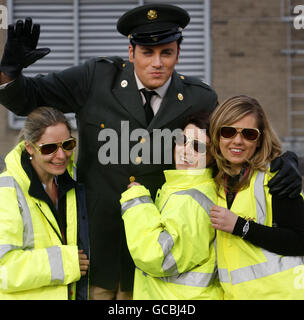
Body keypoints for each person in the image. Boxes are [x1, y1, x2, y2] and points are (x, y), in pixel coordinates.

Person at [0, 4, 301, 299]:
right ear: (131, 53)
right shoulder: (95, 79)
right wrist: (8, 73)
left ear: (178, 54)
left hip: (155, 257)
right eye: (147, 52)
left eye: (166, 52)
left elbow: (235, 140)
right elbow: (30, 98)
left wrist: (283, 160)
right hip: (95, 246)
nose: (157, 62)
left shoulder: (199, 98)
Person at [208, 95, 304, 299]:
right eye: (228, 131)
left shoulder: (277, 177)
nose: (237, 141)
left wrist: (241, 226)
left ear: (259, 140)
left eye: (249, 134)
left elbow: (300, 241)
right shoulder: (214, 180)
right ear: (216, 135)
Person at [120, 112, 223, 299]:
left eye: (198, 147)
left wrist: (137, 202)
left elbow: (158, 258)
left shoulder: (193, 200)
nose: (185, 150)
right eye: (182, 140)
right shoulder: (178, 187)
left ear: (213, 157)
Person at [0, 107, 90, 300]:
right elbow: (3, 269)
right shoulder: (6, 192)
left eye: (67, 144)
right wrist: (65, 263)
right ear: (30, 147)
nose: (61, 155)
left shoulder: (75, 182)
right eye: (49, 148)